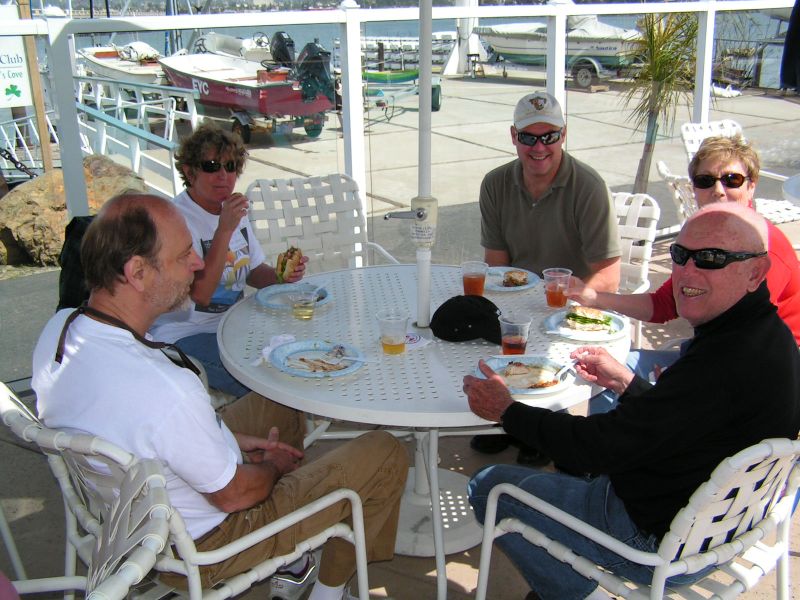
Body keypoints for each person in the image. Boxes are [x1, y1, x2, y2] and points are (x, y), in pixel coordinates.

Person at [32, 193, 408, 600]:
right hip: (206, 542)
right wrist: (276, 467)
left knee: (281, 396)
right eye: (184, 255)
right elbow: (237, 494)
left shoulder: (62, 330)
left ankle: (293, 562)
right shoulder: (163, 386)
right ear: (137, 272)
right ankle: (328, 591)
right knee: (384, 453)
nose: (198, 264)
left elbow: (146, 429)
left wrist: (228, 439)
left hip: (138, 502)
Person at [463, 202, 800, 600]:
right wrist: (629, 383)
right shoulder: (767, 337)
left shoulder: (722, 362)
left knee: (490, 485)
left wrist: (508, 411)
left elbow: (596, 449)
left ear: (755, 273)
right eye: (680, 255)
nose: (687, 272)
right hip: (728, 526)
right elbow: (686, 418)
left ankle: (581, 594)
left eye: (712, 259)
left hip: (655, 541)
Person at [568, 135, 800, 413]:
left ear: (751, 185)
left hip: (757, 383)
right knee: (595, 369)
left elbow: (747, 349)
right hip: (712, 357)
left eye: (732, 180)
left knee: (612, 379)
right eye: (705, 180)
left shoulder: (760, 254)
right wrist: (593, 297)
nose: (718, 189)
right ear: (694, 188)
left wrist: (679, 376)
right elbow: (663, 305)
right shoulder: (702, 240)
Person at [474, 90, 622, 461]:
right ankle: (506, 416)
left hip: (569, 306)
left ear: (563, 135)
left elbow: (610, 277)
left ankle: (535, 425)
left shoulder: (588, 186)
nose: (539, 147)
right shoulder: (494, 183)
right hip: (517, 299)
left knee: (540, 334)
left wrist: (572, 294)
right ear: (514, 137)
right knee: (477, 326)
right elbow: (496, 265)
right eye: (528, 137)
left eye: (549, 136)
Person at [150, 121, 307, 398]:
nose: (223, 175)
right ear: (190, 171)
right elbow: (200, 295)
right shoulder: (177, 220)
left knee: (297, 355)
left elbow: (254, 270)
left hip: (233, 325)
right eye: (211, 165)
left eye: (230, 166)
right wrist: (224, 229)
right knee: (265, 383)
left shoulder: (233, 210)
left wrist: (282, 277)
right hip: (184, 336)